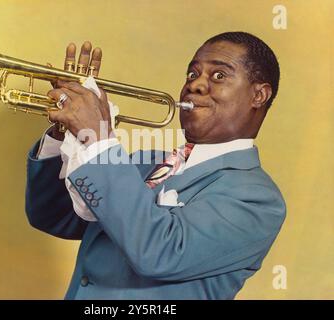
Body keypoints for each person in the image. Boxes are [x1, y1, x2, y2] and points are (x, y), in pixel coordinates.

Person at [25, 32, 286, 299]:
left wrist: (98, 139)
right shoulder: (145, 162)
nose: (195, 86)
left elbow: (160, 252)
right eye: (192, 74)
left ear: (259, 95)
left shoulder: (258, 199)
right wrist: (65, 130)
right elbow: (54, 216)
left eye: (219, 75)